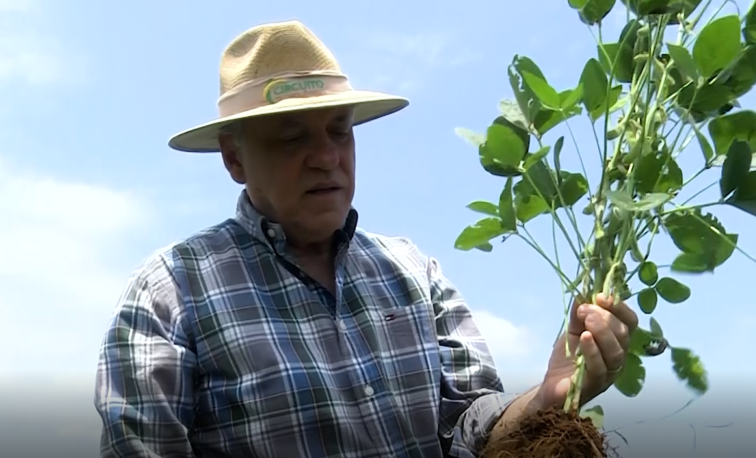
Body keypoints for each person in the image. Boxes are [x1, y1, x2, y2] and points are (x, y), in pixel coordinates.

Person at [94, 20, 638, 458]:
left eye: (339, 131)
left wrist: (549, 396)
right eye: (292, 136)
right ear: (235, 158)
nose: (327, 156)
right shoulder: (170, 292)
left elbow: (470, 431)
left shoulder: (411, 271)